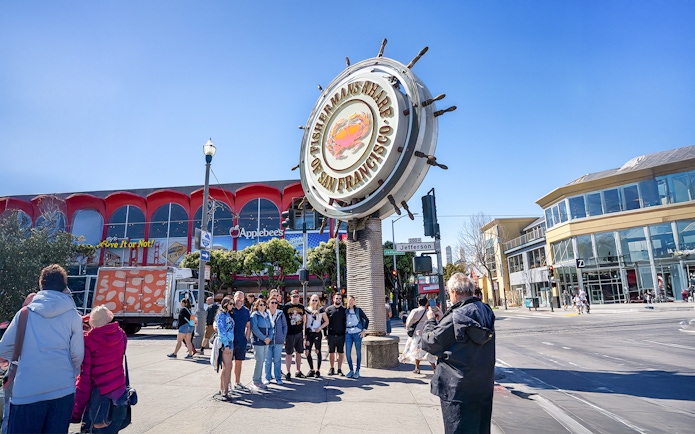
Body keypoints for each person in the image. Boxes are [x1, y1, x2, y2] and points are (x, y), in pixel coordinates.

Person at [0, 264, 84, 434]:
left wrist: (25, 359)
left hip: (27, 391)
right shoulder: (74, 316)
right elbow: (77, 356)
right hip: (63, 390)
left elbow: (3, 349)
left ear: (41, 285)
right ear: (64, 286)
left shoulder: (25, 313)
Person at [422, 273, 496, 434]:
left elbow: (430, 342)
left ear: (455, 292)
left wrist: (430, 321)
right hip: (482, 385)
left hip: (457, 388)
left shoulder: (456, 316)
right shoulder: (486, 310)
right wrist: (444, 320)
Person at [71, 306, 128, 433]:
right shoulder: (120, 334)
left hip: (99, 397)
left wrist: (76, 411)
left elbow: (84, 378)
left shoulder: (89, 340)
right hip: (119, 392)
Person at [400, 296, 440, 374]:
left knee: (416, 351)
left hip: (417, 335)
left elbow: (409, 322)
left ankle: (417, 368)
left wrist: (408, 328)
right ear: (426, 303)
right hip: (427, 333)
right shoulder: (429, 311)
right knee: (429, 352)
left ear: (418, 303)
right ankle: (434, 368)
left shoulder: (415, 311)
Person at [283, 290, 307, 380]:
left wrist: (304, 333)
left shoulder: (302, 307)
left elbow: (304, 320)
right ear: (290, 297)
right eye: (294, 296)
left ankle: (298, 371)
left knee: (299, 352)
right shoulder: (286, 307)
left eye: (297, 296)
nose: (295, 298)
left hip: (299, 332)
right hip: (289, 333)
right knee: (289, 353)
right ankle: (288, 372)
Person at [249, 299, 272, 391]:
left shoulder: (266, 315)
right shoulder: (255, 315)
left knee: (262, 360)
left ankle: (259, 380)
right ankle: (255, 380)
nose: (262, 306)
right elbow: (254, 328)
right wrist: (263, 338)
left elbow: (271, 327)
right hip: (258, 341)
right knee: (259, 360)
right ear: (257, 306)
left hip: (266, 341)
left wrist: (269, 338)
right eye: (260, 305)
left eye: (264, 305)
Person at [344, 295, 369, 379]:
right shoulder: (345, 311)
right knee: (347, 353)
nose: (350, 302)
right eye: (349, 300)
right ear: (347, 301)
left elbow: (366, 320)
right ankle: (351, 370)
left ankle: (357, 370)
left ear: (354, 301)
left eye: (352, 300)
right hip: (348, 333)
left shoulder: (358, 310)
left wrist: (364, 331)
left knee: (358, 352)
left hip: (357, 333)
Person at [231, 291, 251, 391]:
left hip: (241, 341)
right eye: (238, 297)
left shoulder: (246, 311)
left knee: (239, 362)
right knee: (228, 364)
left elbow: (248, 326)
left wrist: (246, 338)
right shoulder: (230, 309)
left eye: (241, 298)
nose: (239, 300)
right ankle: (227, 383)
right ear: (234, 297)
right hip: (230, 341)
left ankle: (237, 382)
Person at [265, 294, 287, 385]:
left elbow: (284, 326)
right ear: (268, 304)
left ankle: (278, 378)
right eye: (272, 302)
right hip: (267, 341)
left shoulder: (280, 313)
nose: (274, 304)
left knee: (277, 360)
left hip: (278, 341)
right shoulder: (265, 313)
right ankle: (267, 377)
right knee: (268, 360)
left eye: (275, 303)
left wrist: (283, 337)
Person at [215, 297, 235, 401]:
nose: (232, 305)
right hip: (225, 343)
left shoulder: (228, 314)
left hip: (230, 342)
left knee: (227, 367)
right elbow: (221, 330)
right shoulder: (221, 315)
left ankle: (223, 388)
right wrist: (226, 344)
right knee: (228, 366)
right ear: (225, 304)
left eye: (233, 303)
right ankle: (225, 391)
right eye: (230, 303)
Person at [304, 294, 328, 377]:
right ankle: (312, 369)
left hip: (317, 332)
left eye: (316, 300)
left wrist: (320, 328)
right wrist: (304, 333)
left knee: (317, 351)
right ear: (310, 301)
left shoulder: (321, 310)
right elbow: (305, 322)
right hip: (309, 333)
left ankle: (318, 370)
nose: (314, 302)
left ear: (318, 301)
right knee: (307, 352)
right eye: (313, 300)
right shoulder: (307, 310)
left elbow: (326, 321)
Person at [325, 293, 346, 376]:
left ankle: (339, 369)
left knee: (340, 353)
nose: (338, 300)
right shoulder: (328, 309)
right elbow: (324, 322)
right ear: (333, 299)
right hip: (331, 334)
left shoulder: (344, 310)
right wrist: (325, 334)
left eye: (340, 298)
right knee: (331, 352)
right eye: (337, 298)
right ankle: (332, 368)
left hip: (341, 334)